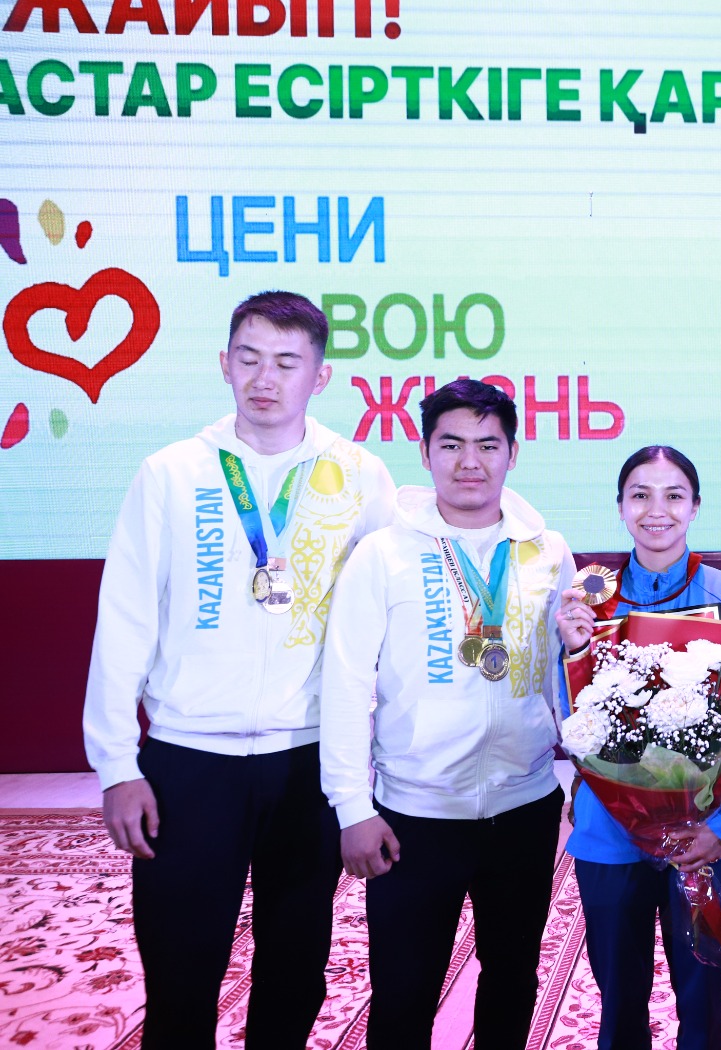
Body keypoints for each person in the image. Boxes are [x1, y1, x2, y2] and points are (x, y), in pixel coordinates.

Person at [83, 291, 396, 1048]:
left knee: (295, 972)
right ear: (224, 363)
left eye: (287, 362)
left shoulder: (359, 474)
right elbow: (124, 618)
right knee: (180, 972)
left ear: (320, 377)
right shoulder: (171, 473)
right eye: (249, 359)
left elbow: (387, 621)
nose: (265, 378)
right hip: (190, 761)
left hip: (306, 760)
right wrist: (117, 765)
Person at [318, 379, 571, 1050]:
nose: (470, 462)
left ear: (513, 452)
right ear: (425, 451)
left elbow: (563, 676)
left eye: (488, 445)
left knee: (512, 980)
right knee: (403, 994)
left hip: (524, 807)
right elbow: (345, 683)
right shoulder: (383, 554)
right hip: (414, 814)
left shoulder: (548, 552)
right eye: (451, 444)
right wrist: (352, 806)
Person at [553, 444, 721, 1050]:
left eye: (674, 496)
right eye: (640, 495)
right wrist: (574, 650)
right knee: (619, 999)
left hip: (704, 838)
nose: (657, 510)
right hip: (609, 833)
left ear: (695, 506)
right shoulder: (587, 600)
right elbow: (573, 717)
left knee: (704, 998)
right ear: (620, 506)